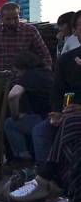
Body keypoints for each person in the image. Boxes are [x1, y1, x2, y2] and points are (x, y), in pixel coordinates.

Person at [29, 42, 81, 173]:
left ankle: (49, 176)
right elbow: (57, 92)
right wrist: (57, 112)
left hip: (74, 119)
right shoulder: (67, 59)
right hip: (68, 113)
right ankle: (48, 175)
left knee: (68, 126)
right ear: (75, 31)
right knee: (40, 131)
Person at [3, 51, 53, 166]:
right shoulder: (46, 73)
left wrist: (15, 115)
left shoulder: (30, 75)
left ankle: (23, 159)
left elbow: (13, 96)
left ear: (23, 68)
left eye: (17, 72)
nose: (17, 76)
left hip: (45, 118)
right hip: (53, 115)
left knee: (10, 123)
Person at [0, 2, 52, 71]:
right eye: (8, 19)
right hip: (1, 78)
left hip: (25, 78)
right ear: (1, 18)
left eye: (15, 18)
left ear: (19, 16)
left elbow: (45, 55)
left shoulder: (30, 30)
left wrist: (45, 72)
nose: (12, 22)